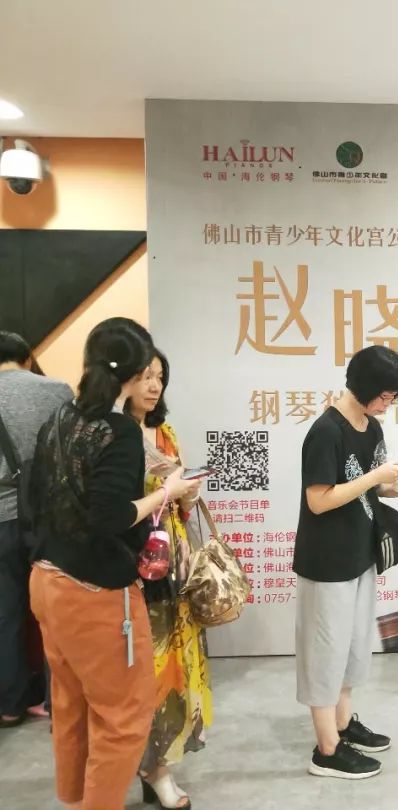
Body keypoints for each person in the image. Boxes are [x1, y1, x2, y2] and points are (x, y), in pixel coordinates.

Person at [28, 318, 200, 809]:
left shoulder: (62, 417)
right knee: (124, 717)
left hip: (47, 580)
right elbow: (110, 518)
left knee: (72, 704)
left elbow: (40, 495)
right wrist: (166, 492)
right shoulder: (118, 430)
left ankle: (77, 799)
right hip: (95, 593)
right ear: (134, 370)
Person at [293, 345, 398, 780]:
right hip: (327, 560)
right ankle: (326, 750)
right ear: (366, 387)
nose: (390, 403)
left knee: (352, 646)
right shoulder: (326, 432)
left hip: (360, 554)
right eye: (387, 395)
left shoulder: (370, 426)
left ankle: (342, 724)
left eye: (395, 396)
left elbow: (370, 491)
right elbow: (319, 501)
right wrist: (375, 476)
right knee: (325, 652)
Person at [125, 349, 210, 809]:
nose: (154, 385)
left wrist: (187, 492)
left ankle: (156, 763)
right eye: (145, 376)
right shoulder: (115, 435)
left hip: (172, 562)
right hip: (134, 567)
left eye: (159, 376)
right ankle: (151, 766)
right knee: (144, 669)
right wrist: (165, 489)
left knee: (174, 662)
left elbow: (182, 505)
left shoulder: (165, 433)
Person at [0, 331, 72, 728]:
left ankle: (10, 705)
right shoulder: (57, 391)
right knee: (55, 613)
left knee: (5, 614)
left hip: (1, 517)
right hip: (49, 518)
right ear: (27, 358)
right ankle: (57, 702)